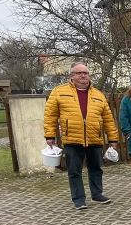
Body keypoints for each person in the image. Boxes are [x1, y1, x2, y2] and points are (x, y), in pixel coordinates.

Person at [43, 61, 119, 210]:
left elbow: (108, 119)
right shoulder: (59, 92)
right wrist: (49, 136)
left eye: (86, 73)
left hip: (94, 137)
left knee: (96, 169)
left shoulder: (98, 94)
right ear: (72, 75)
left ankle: (97, 194)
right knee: (74, 171)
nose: (83, 75)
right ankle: (79, 199)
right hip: (72, 138)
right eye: (79, 73)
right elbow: (50, 116)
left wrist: (113, 138)